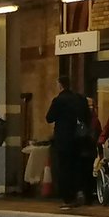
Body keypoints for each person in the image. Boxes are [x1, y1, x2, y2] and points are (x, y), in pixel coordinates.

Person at [45, 76, 90, 209]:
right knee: (77, 167)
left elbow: (49, 118)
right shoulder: (81, 99)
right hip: (79, 139)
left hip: (64, 140)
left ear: (60, 85)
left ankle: (68, 198)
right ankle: (79, 193)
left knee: (64, 169)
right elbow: (87, 117)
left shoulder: (59, 100)